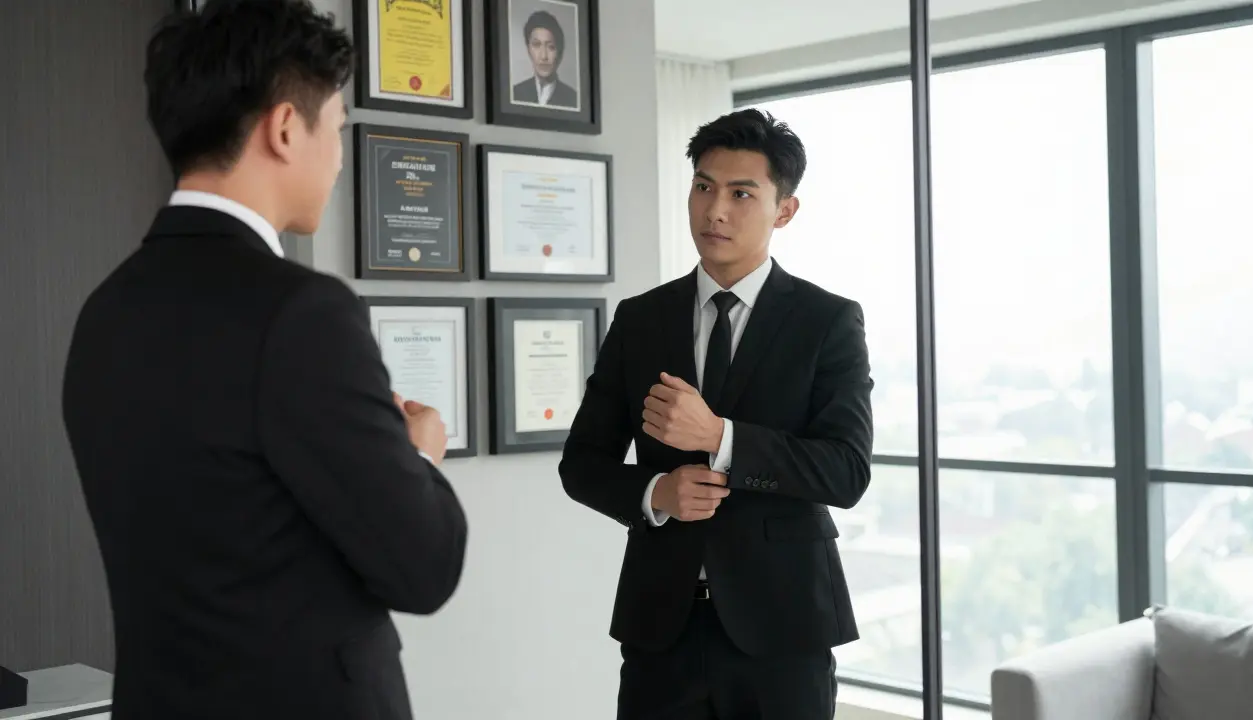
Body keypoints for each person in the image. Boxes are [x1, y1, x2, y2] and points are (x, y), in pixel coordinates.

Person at [60, 2, 467, 718]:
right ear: (285, 128)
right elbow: (424, 567)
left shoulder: (103, 313)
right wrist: (421, 456)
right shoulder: (304, 314)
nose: (339, 158)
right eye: (337, 130)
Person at [559, 108, 874, 720]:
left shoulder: (827, 322)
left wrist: (722, 438)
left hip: (784, 632)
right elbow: (582, 464)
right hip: (660, 632)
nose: (715, 210)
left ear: (784, 210)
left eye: (740, 193)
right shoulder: (640, 319)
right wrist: (657, 493)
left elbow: (847, 471)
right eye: (703, 186)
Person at [511, 9, 578, 109]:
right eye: (536, 45)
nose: (543, 56)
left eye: (551, 47)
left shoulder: (573, 99)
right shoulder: (514, 93)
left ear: (560, 52)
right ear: (528, 49)